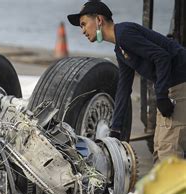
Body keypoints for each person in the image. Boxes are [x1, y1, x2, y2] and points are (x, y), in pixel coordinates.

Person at [67, 1, 186, 162]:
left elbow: (162, 57)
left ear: (99, 20)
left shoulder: (124, 33)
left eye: (83, 24)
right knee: (159, 150)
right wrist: (115, 129)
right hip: (170, 87)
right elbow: (123, 88)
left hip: (179, 83)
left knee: (168, 152)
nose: (83, 31)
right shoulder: (120, 49)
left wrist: (162, 96)